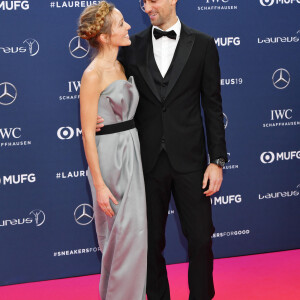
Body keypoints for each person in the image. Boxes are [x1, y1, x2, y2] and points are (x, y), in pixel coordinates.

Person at [78, 2, 147, 299]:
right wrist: (99, 186)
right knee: (124, 235)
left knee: (135, 235)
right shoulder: (92, 74)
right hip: (110, 158)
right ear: (105, 36)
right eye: (121, 24)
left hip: (131, 150)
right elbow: (87, 135)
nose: (128, 26)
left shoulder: (122, 64)